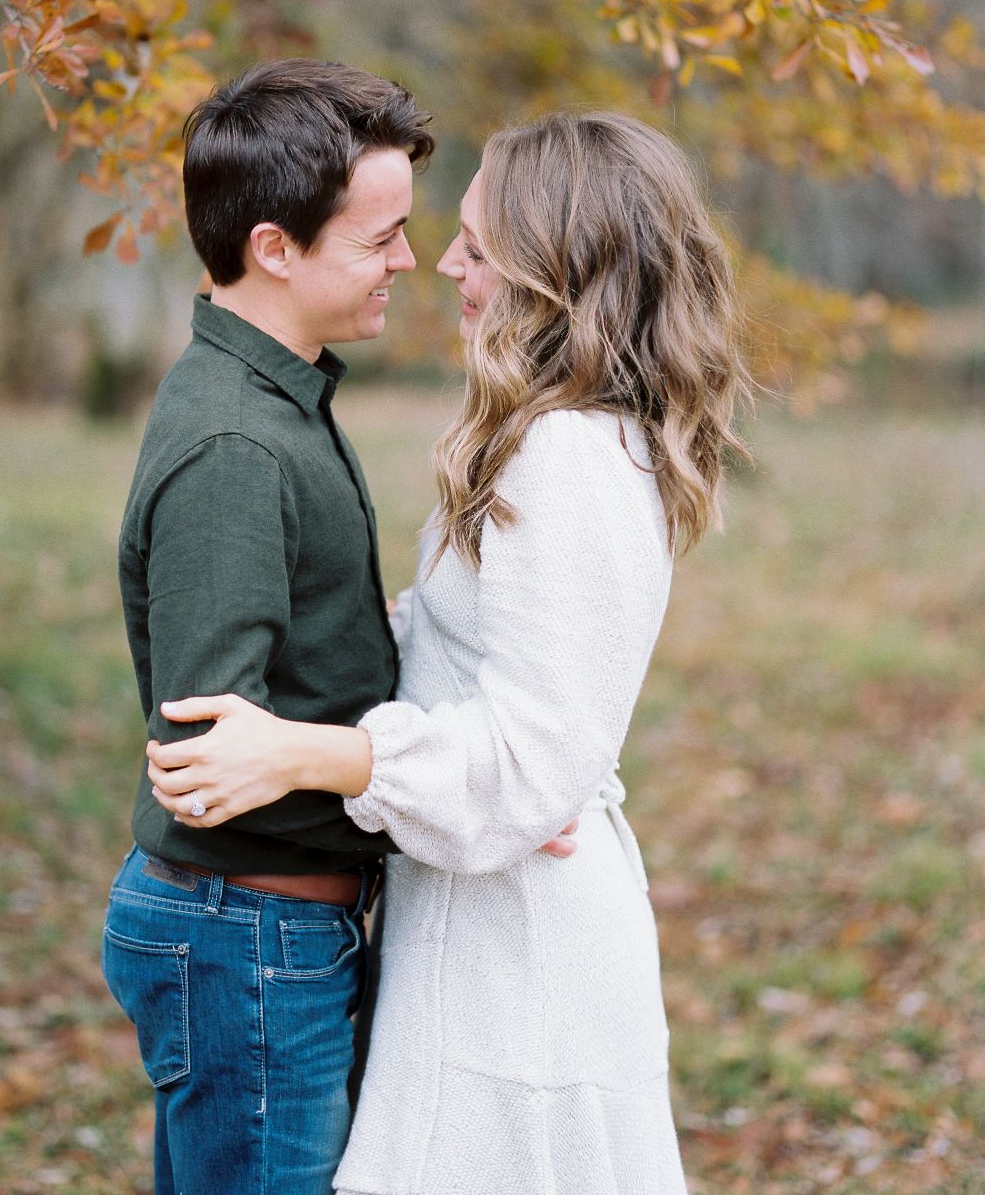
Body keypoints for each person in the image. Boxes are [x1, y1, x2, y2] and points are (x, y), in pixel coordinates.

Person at [148, 110, 750, 1195]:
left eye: (477, 243)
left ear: (556, 270)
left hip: (517, 951)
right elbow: (498, 676)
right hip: (481, 900)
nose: (446, 264)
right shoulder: (557, 436)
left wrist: (306, 752)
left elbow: (523, 760)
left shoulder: (564, 459)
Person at [103, 60, 576, 1195]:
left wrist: (491, 775)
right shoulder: (238, 446)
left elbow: (317, 667)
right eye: (379, 239)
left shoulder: (281, 400)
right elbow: (212, 759)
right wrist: (443, 799)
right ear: (275, 248)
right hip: (245, 942)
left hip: (268, 938)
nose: (411, 262)